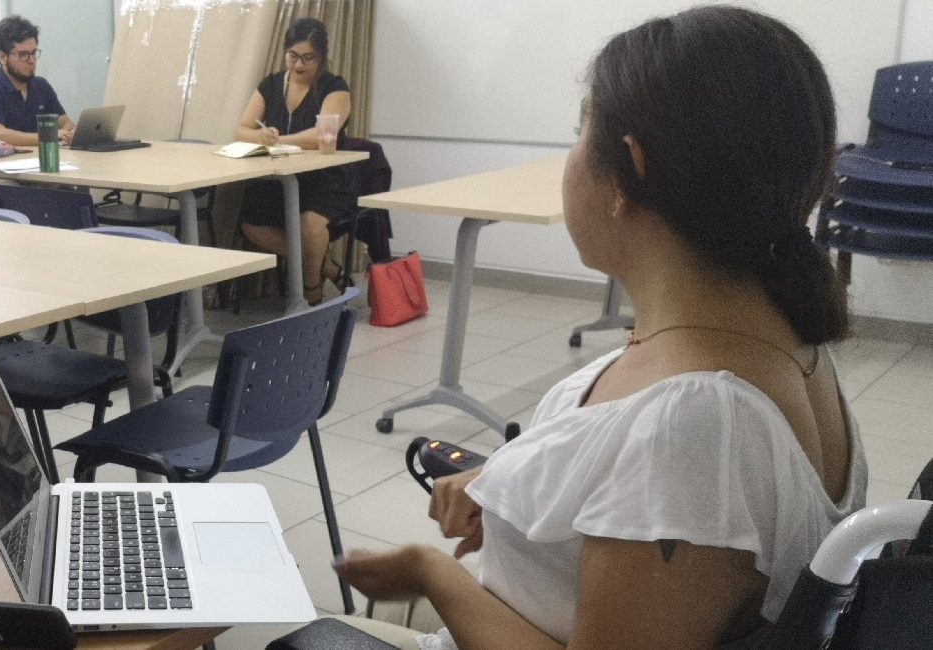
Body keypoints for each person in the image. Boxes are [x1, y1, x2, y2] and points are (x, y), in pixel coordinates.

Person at [331, 7, 865, 648]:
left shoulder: (691, 425)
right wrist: (516, 484)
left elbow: (672, 476)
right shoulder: (791, 338)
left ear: (630, 168)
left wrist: (432, 573)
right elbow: (647, 498)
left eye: (577, 134)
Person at [232, 18, 354, 305]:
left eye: (307, 58)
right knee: (251, 224)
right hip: (280, 179)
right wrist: (260, 136)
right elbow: (241, 129)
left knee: (309, 223)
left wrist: (280, 139)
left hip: (326, 179)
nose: (298, 65)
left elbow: (322, 134)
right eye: (293, 56)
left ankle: (310, 294)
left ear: (321, 57)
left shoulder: (334, 86)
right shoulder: (271, 84)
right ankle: (328, 267)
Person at [0, 15, 74, 147]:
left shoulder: (41, 86)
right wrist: (49, 136)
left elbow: (66, 123)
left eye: (33, 53)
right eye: (23, 55)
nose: (32, 60)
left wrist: (70, 133)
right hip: (7, 164)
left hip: (42, 159)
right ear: (3, 57)